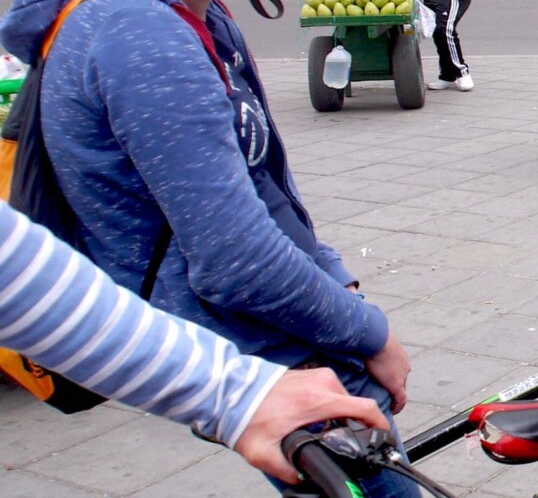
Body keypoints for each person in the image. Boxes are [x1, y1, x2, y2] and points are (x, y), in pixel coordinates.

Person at [0, 0, 417, 495]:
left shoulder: (194, 10)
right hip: (262, 354)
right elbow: (235, 262)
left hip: (275, 331)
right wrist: (369, 330)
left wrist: (330, 267)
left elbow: (264, 188)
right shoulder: (141, 33)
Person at [0, 201, 388, 484]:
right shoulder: (155, 85)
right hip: (284, 345)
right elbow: (235, 255)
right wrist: (369, 333)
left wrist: (229, 391)